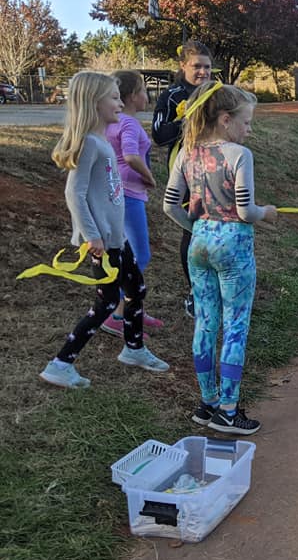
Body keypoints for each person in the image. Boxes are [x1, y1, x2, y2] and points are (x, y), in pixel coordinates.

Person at [39, 71, 170, 389]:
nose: (119, 103)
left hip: (117, 239)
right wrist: (91, 236)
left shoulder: (100, 141)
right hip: (103, 244)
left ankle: (134, 348)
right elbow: (75, 194)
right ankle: (60, 364)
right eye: (113, 97)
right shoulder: (89, 145)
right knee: (107, 303)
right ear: (94, 103)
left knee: (136, 289)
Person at [163, 81, 278, 435]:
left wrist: (196, 225)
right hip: (234, 248)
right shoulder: (239, 155)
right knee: (236, 325)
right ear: (225, 119)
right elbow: (245, 211)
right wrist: (267, 212)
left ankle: (207, 403)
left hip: (199, 244)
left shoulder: (187, 152)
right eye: (246, 122)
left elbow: (169, 205)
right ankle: (229, 410)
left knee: (205, 322)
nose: (249, 129)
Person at [153, 40, 213, 319]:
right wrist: (185, 122)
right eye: (197, 66)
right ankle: (194, 291)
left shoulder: (216, 92)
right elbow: (159, 136)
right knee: (192, 228)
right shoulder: (172, 95)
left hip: (216, 169)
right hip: (186, 170)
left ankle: (215, 285)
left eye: (207, 66)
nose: (203, 72)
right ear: (183, 66)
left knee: (215, 225)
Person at [101, 70, 163, 337]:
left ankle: (134, 307)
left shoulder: (109, 121)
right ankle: (117, 313)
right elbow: (130, 155)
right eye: (143, 90)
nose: (146, 95)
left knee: (124, 254)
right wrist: (149, 177)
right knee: (140, 255)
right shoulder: (129, 123)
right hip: (129, 195)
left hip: (114, 193)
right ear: (130, 96)